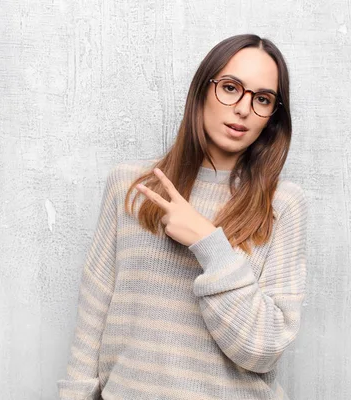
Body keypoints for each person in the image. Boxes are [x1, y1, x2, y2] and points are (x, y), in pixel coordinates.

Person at [57, 33, 308, 400]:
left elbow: (263, 349)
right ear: (202, 90)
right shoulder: (130, 186)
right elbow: (92, 315)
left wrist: (210, 245)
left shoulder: (283, 204)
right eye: (230, 88)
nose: (242, 109)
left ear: (272, 117)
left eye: (262, 99)